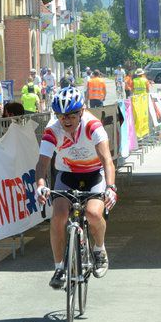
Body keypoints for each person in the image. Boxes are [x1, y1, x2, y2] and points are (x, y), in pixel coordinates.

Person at [35, 86, 117, 289]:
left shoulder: (93, 126)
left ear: (81, 111)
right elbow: (42, 164)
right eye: (61, 116)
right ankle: (59, 268)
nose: (67, 120)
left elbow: (107, 160)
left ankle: (99, 250)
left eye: (72, 114)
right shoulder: (52, 130)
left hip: (93, 175)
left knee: (93, 214)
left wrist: (111, 187)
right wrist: (40, 186)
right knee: (59, 215)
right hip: (66, 175)